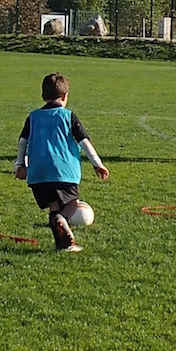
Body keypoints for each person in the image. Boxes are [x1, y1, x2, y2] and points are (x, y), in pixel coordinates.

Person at [14, 73, 109, 253]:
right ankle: (62, 220)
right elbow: (84, 142)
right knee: (72, 203)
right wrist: (97, 164)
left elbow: (22, 142)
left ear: (43, 96)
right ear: (65, 96)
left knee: (54, 206)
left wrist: (19, 165)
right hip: (63, 171)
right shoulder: (68, 116)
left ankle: (64, 244)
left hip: (38, 173)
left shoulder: (33, 117)